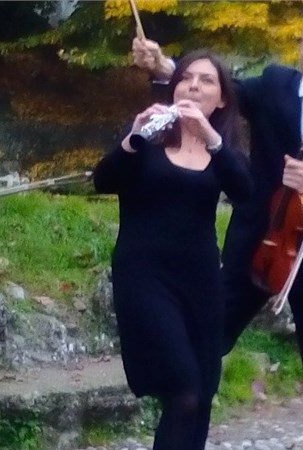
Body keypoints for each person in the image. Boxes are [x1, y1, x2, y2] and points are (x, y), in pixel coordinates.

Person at [132, 1, 303, 448]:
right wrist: (165, 66)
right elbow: (220, 90)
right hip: (254, 242)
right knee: (205, 347)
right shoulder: (274, 84)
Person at [93, 50, 252, 450]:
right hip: (144, 276)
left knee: (201, 393)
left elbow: (245, 192)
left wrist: (210, 137)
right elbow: (104, 180)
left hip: (200, 280)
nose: (193, 86)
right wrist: (132, 138)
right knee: (183, 388)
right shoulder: (150, 138)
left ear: (222, 99)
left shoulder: (223, 150)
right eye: (185, 78)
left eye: (206, 80)